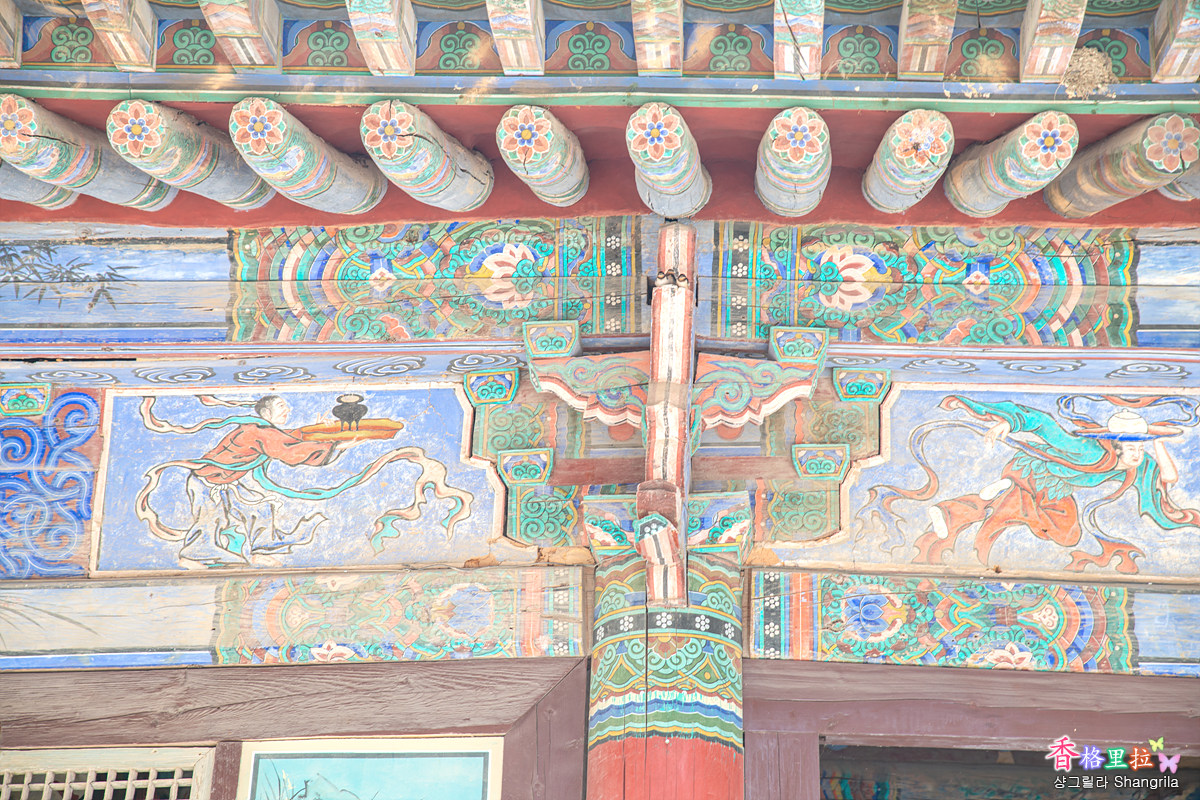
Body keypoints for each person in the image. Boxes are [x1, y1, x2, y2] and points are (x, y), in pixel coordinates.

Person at [913, 397, 1199, 572]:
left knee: (1020, 513)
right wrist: (1011, 423)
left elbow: (1168, 477)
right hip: (1041, 473)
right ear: (1116, 446)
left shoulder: (1140, 465)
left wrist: (1156, 443)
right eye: (1133, 448)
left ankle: (957, 509)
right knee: (1065, 531)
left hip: (1053, 483)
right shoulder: (1088, 451)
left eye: (1141, 447)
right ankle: (1003, 488)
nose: (1138, 454)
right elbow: (1044, 424)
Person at [178, 395, 340, 565]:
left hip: (226, 483)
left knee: (260, 508)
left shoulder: (264, 430)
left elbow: (291, 437)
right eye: (281, 406)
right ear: (267, 413)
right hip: (206, 483)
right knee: (209, 522)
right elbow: (289, 451)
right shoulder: (255, 431)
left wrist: (317, 431)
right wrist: (334, 445)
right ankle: (192, 557)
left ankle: (258, 550)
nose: (287, 409)